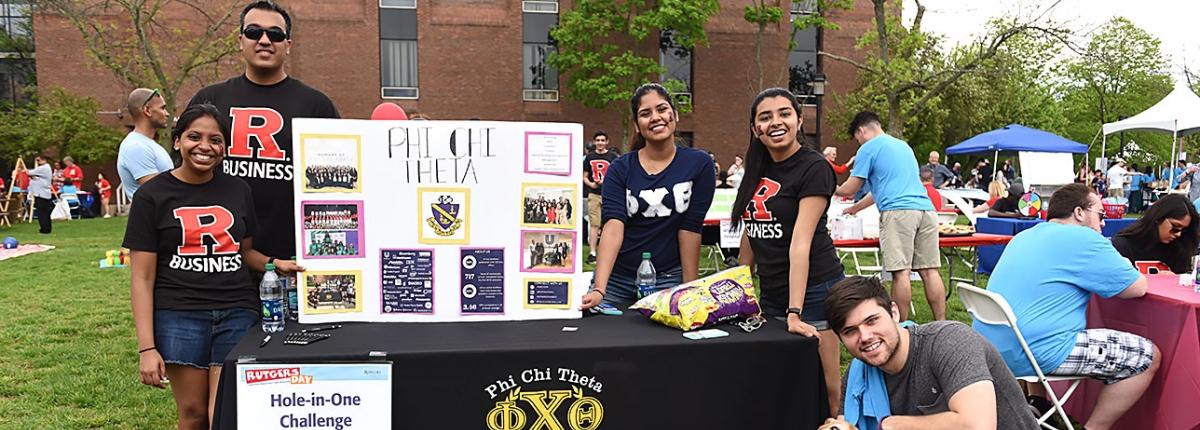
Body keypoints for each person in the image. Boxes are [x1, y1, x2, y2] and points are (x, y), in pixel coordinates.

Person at [123, 104, 305, 430]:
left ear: (225, 148)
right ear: (177, 142)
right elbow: (142, 277)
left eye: (216, 140)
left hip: (237, 311)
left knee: (225, 412)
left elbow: (244, 251)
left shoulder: (238, 190)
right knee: (193, 414)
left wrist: (273, 263)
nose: (205, 147)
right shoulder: (152, 195)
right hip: (178, 315)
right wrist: (146, 348)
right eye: (195, 136)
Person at [973, 183, 1160, 430]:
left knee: (1039, 323)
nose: (1103, 223)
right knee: (1147, 356)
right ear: (1080, 213)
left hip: (990, 347)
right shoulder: (1086, 239)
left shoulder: (1025, 235)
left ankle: (1037, 404)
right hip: (1036, 352)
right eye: (1100, 215)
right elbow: (1137, 288)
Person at [189, 0, 340, 263]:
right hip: (218, 256)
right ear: (240, 40)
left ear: (288, 45)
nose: (264, 40)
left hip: (293, 256)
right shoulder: (210, 99)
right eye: (253, 32)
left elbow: (339, 183)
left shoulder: (317, 105)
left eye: (275, 34)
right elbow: (183, 175)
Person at [731, 88, 846, 417]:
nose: (775, 122)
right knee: (780, 377)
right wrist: (739, 288)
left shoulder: (814, 167)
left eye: (784, 113)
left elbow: (801, 243)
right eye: (764, 118)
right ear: (755, 129)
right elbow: (752, 232)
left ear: (799, 119)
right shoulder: (757, 166)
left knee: (826, 384)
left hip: (815, 289)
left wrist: (795, 311)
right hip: (771, 292)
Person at [816, 276, 1038, 430]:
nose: (865, 336)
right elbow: (846, 423)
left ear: (894, 312)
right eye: (850, 331)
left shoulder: (949, 342)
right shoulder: (858, 375)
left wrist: (892, 424)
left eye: (872, 320)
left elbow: (977, 425)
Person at [580, 83, 715, 309]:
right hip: (617, 279)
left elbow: (691, 228)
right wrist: (599, 289)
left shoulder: (700, 164)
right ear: (636, 125)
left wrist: (689, 289)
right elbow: (613, 227)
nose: (655, 117)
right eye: (645, 113)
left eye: (662, 109)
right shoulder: (620, 168)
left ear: (675, 115)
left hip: (669, 278)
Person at [835, 111, 946, 321]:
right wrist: (855, 208)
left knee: (901, 272)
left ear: (861, 131)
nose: (859, 144)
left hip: (898, 213)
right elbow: (883, 189)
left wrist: (829, 187)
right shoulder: (903, 146)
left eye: (857, 139)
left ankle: (901, 326)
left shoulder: (868, 148)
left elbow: (850, 187)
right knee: (930, 271)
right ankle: (942, 324)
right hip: (926, 210)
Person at [1111, 194, 1199, 274]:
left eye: (1184, 230)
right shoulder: (1123, 245)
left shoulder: (1180, 247)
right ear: (1158, 217)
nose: (1178, 234)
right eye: (1175, 227)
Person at [118, 88, 174, 200]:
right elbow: (158, 190)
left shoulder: (149, 145)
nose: (167, 114)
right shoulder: (136, 147)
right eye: (162, 108)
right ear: (147, 110)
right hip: (153, 217)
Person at [583, 130, 618, 264]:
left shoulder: (612, 157)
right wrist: (590, 184)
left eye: (603, 140)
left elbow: (616, 175)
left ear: (607, 142)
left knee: (610, 223)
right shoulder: (590, 157)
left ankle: (608, 253)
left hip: (609, 194)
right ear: (594, 142)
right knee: (594, 223)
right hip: (594, 194)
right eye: (598, 140)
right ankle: (592, 253)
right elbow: (584, 176)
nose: (600, 143)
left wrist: (606, 181)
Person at [14, 154, 53, 233]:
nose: (37, 162)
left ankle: (45, 229)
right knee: (44, 212)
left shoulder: (44, 168)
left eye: (38, 160)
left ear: (44, 160)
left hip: (41, 193)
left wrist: (31, 174)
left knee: (42, 213)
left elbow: (29, 172)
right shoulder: (44, 168)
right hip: (42, 193)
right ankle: (46, 228)